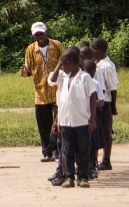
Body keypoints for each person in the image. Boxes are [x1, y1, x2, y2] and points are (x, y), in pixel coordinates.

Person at [50, 47, 97, 188]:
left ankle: (83, 177)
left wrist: (92, 119)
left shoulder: (85, 77)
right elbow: (63, 102)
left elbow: (93, 97)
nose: (62, 68)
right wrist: (58, 119)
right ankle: (69, 177)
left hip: (81, 121)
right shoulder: (65, 78)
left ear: (69, 63)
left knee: (83, 150)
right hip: (65, 122)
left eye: (63, 64)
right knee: (67, 150)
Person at [20, 21, 65, 161]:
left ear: (46, 32)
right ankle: (47, 152)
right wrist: (25, 73)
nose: (39, 36)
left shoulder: (56, 45)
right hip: (40, 93)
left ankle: (58, 150)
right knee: (44, 125)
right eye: (36, 34)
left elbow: (65, 62)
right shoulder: (31, 49)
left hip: (57, 91)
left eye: (41, 33)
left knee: (59, 123)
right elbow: (28, 68)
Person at [90, 37, 118, 170]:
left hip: (105, 102)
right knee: (96, 131)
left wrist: (113, 106)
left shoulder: (106, 66)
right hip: (99, 102)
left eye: (91, 49)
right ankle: (94, 161)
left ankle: (106, 160)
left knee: (106, 132)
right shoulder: (98, 64)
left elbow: (113, 88)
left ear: (97, 50)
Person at [83, 59, 105, 179]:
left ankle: (92, 164)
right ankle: (84, 166)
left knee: (94, 142)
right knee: (85, 142)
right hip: (82, 116)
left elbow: (101, 102)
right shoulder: (81, 81)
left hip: (92, 116)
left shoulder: (95, 83)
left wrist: (92, 103)